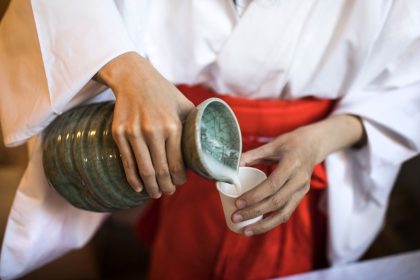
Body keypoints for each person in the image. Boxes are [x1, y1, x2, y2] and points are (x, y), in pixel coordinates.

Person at [1, 0, 420, 279]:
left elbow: (408, 85)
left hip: (302, 165)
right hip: (178, 136)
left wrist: (318, 141)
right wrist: (126, 67)